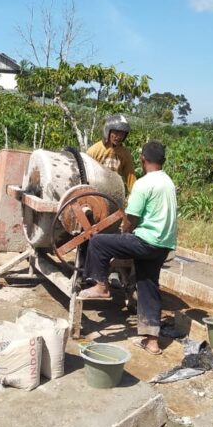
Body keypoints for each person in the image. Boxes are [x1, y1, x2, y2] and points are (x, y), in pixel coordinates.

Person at [78, 140, 177, 355]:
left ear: (142, 160)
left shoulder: (144, 183)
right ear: (163, 161)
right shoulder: (168, 182)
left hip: (146, 241)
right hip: (163, 246)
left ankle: (101, 286)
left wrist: (123, 232)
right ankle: (152, 342)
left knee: (98, 242)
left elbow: (130, 219)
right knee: (149, 285)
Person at [87, 113, 137, 194]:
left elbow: (130, 178)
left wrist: (135, 195)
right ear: (108, 131)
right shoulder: (94, 150)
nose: (119, 136)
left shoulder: (125, 153)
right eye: (116, 132)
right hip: (96, 191)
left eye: (122, 134)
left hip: (115, 193)